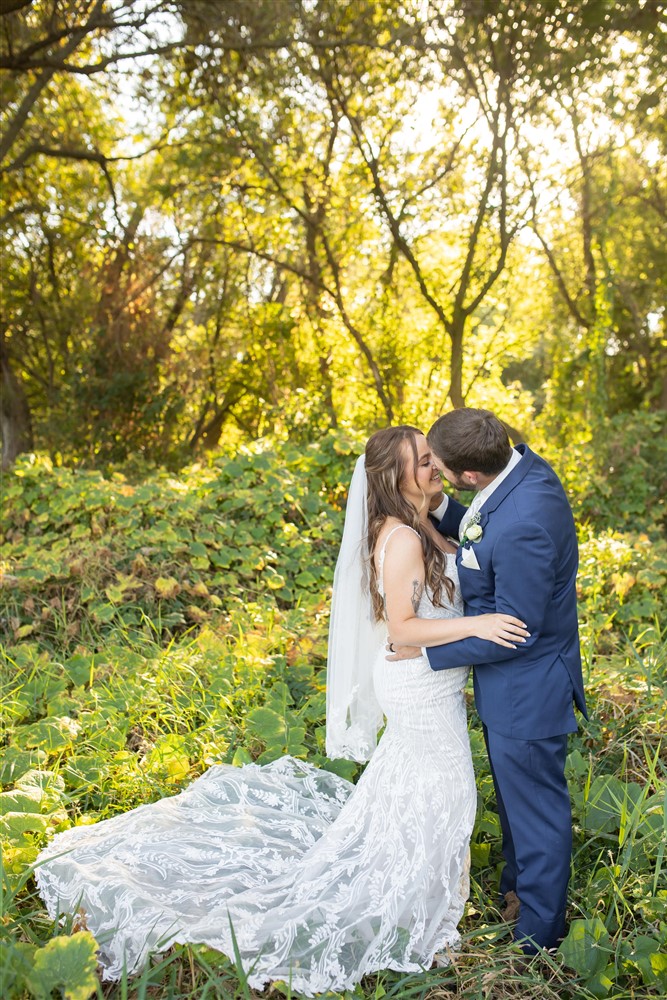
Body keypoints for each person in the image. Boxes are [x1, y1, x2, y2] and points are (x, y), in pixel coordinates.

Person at [34, 425, 529, 996]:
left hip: (429, 685)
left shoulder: (424, 522)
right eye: (421, 462)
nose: (434, 467)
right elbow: (402, 629)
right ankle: (409, 902)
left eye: (432, 458)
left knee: (419, 786)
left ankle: (415, 884)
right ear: (393, 479)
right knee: (445, 787)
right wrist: (480, 624)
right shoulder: (405, 540)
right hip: (418, 683)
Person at [389, 408, 587, 954]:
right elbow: (481, 527)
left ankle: (536, 939)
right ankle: (517, 890)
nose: (434, 471)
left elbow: (517, 630)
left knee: (537, 813)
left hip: (528, 692)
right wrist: (436, 511)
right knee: (517, 801)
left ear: (471, 474)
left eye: (440, 466)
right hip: (512, 691)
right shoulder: (519, 467)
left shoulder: (524, 523)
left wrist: (424, 651)